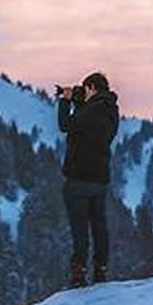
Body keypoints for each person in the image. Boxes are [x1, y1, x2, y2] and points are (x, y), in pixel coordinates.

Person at [57, 72, 119, 288]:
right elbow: (86, 126)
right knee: (99, 226)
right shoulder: (111, 112)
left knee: (80, 228)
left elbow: (66, 125)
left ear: (91, 87)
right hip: (100, 179)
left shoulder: (90, 112)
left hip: (79, 179)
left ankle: (79, 274)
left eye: (85, 89)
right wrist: (79, 101)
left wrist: (66, 101)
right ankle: (100, 270)